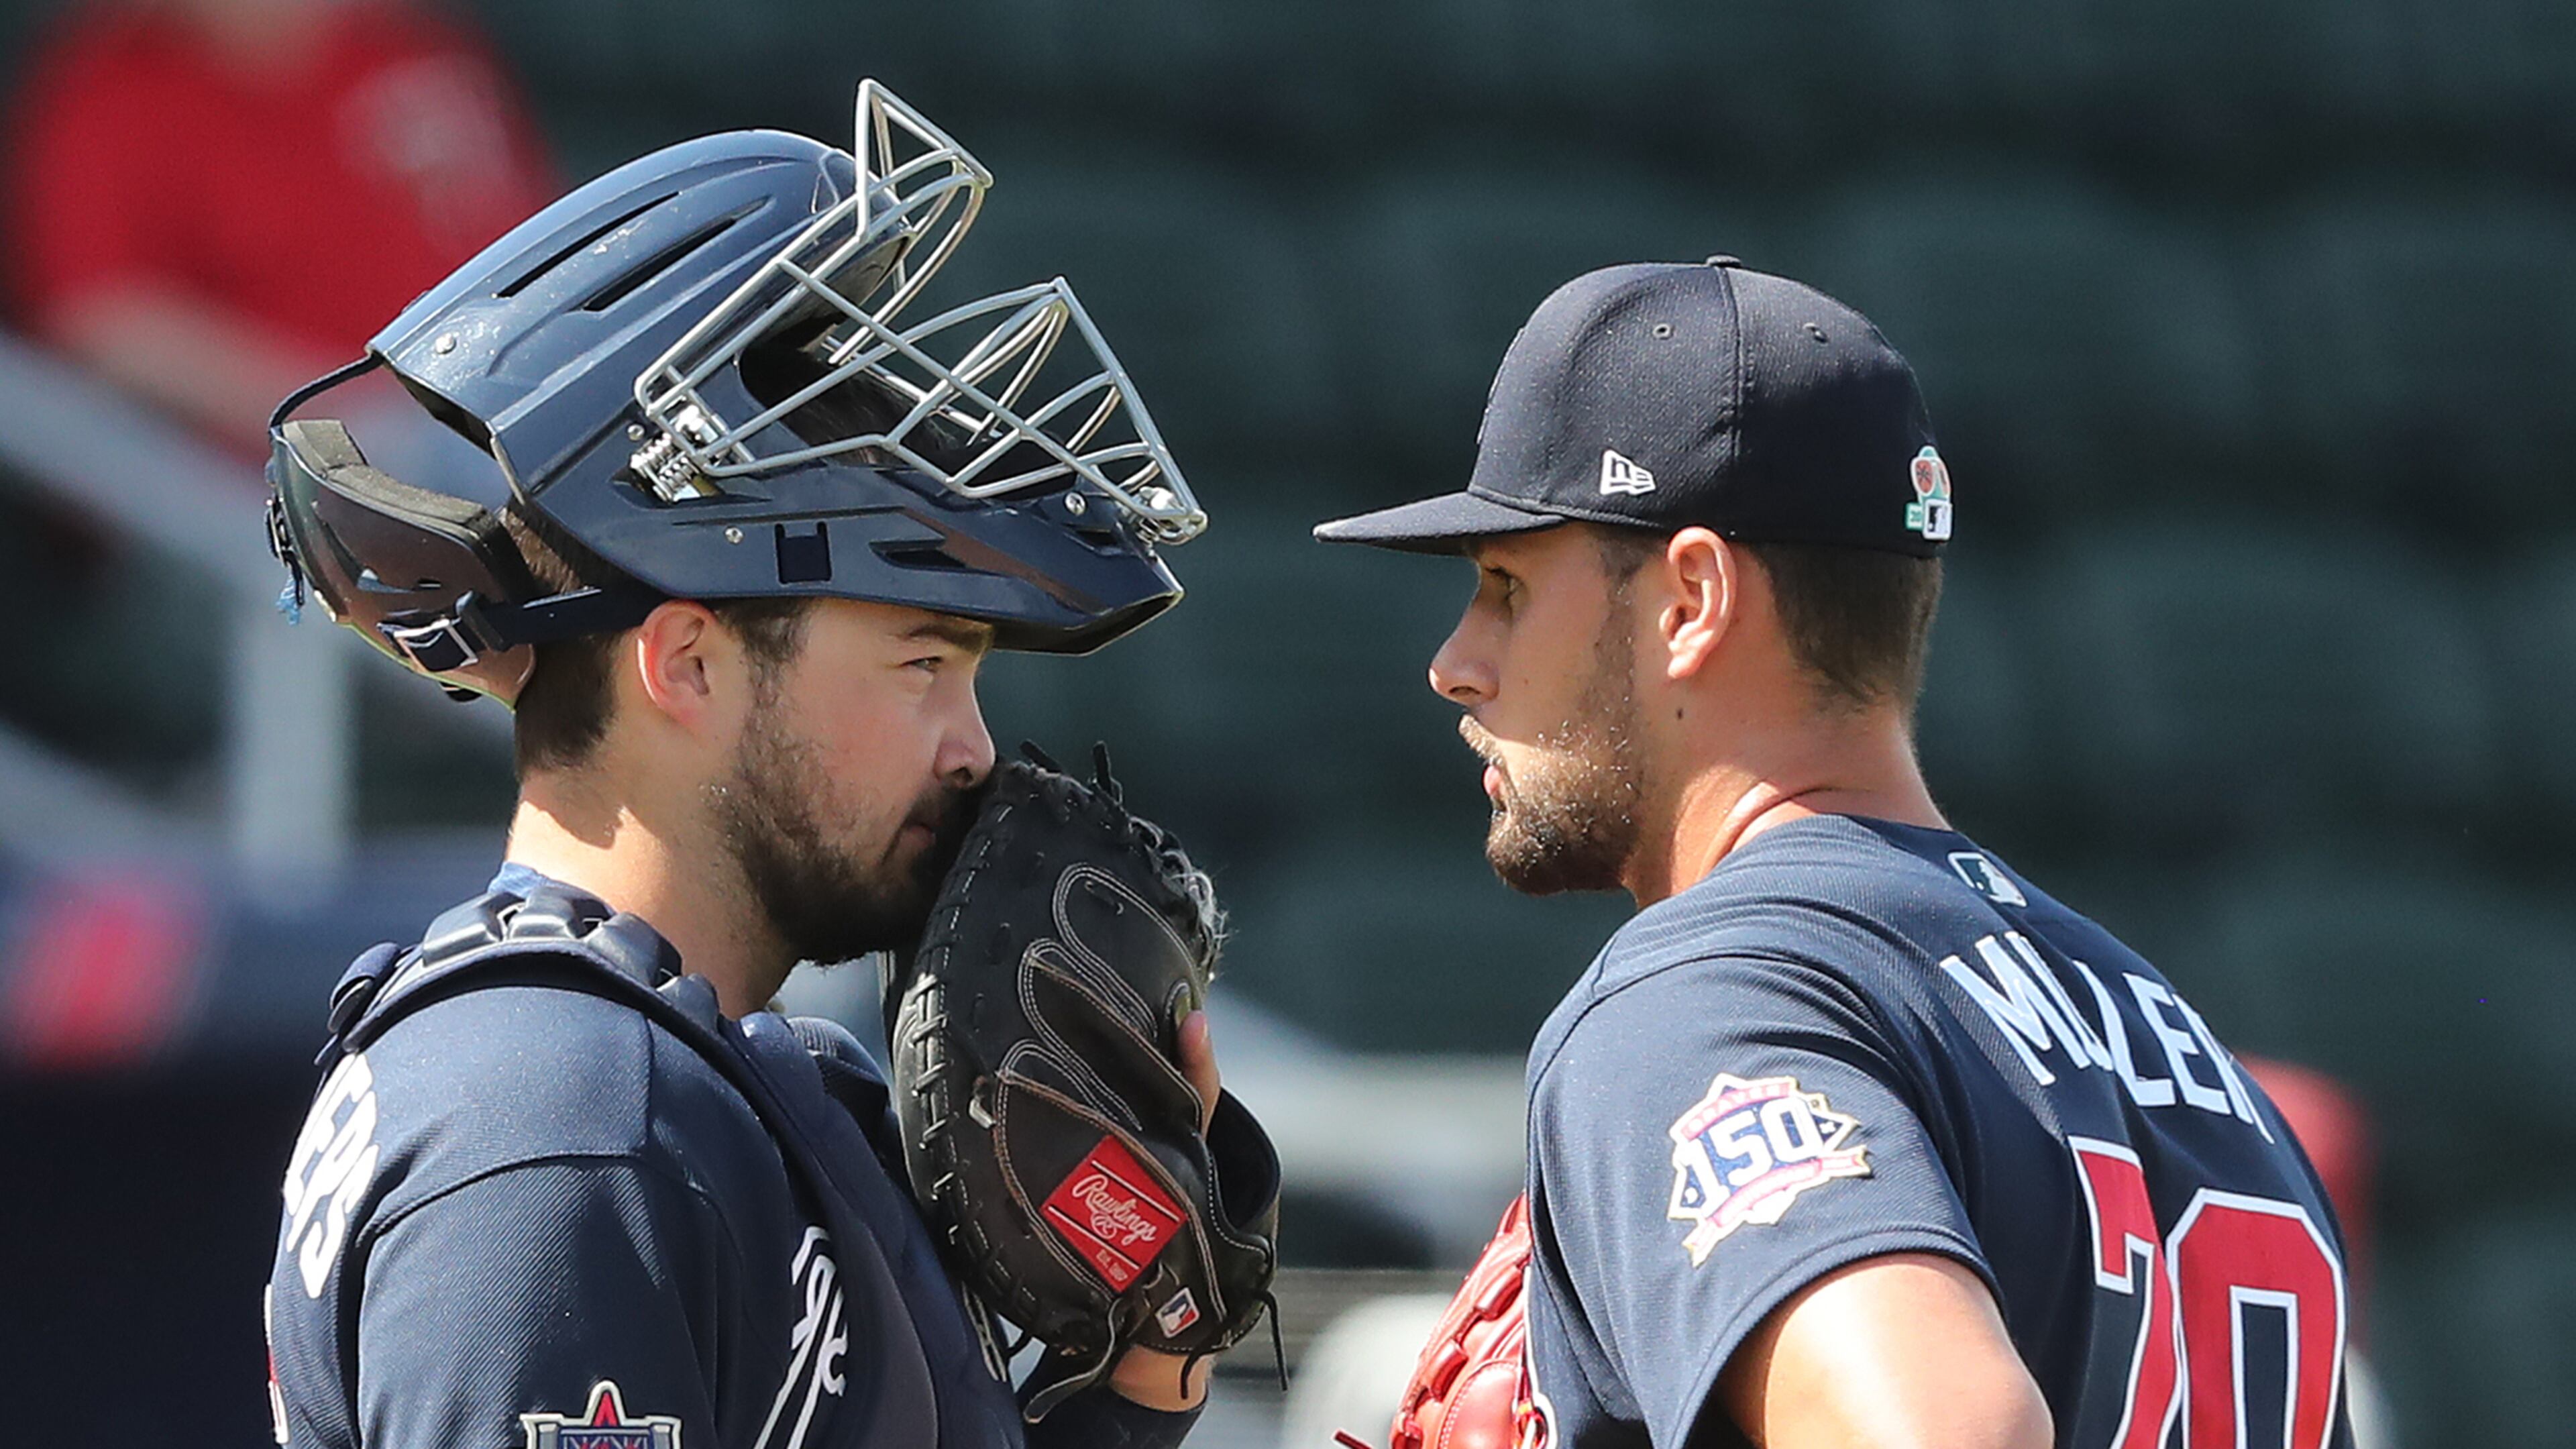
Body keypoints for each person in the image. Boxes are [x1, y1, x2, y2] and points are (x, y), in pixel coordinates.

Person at [262, 87, 1228, 1449]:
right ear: (690, 664)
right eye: (922, 661)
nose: (973, 749)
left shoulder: (684, 1081)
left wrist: (1140, 1377)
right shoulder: (564, 1132)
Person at [1316, 259, 2355, 1449]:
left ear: (1692, 598)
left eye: (1506, 585)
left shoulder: (1702, 1005)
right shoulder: (2185, 1057)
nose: (1457, 661)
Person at [7, 0, 553, 447]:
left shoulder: (415, 50)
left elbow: (543, 253)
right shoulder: (115, 89)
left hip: (505, 422)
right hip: (264, 491)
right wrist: (351, 415)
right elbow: (105, 323)